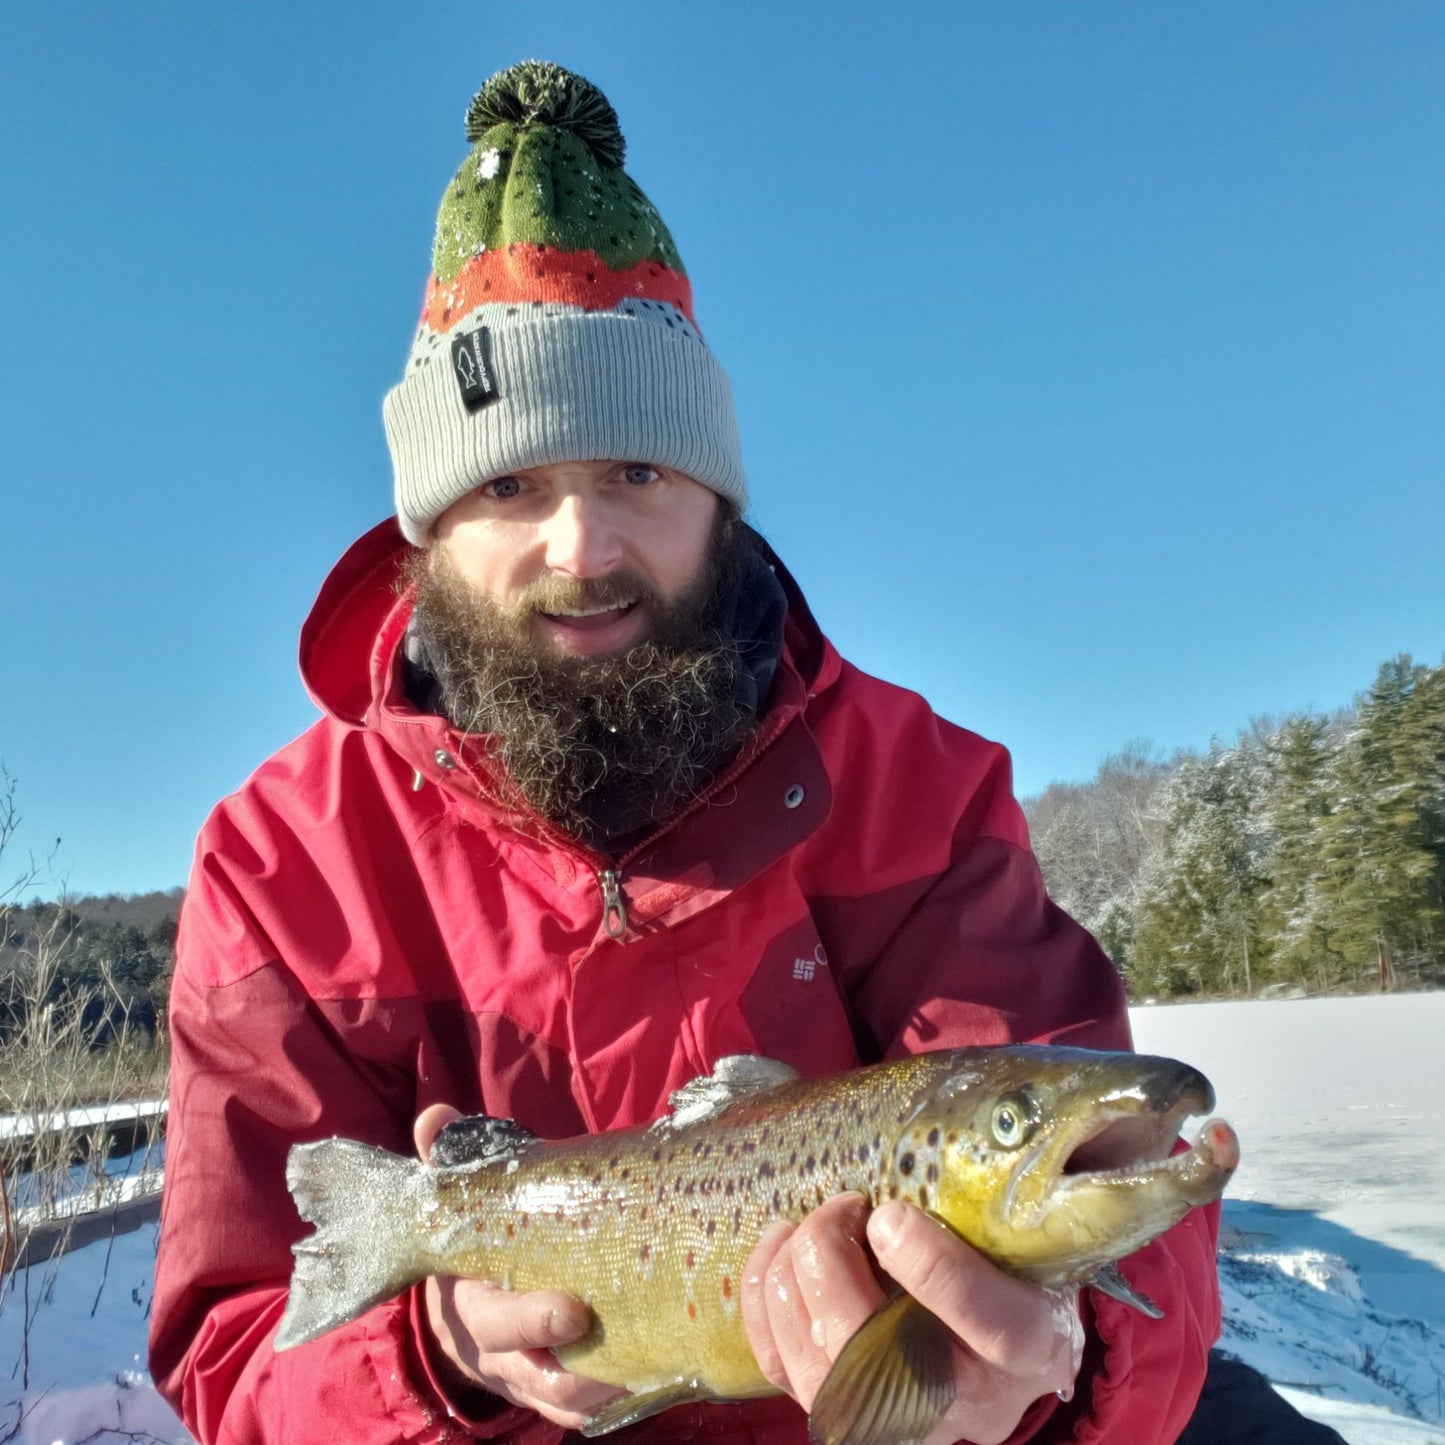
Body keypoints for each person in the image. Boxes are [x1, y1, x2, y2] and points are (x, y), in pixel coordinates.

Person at [150, 61, 1224, 1445]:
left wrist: (1057, 1373)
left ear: (718, 494)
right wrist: (432, 1355)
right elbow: (236, 1357)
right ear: (424, 529)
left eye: (638, 474)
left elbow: (1130, 1250)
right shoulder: (280, 861)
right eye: (511, 484)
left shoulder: (920, 786)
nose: (582, 548)